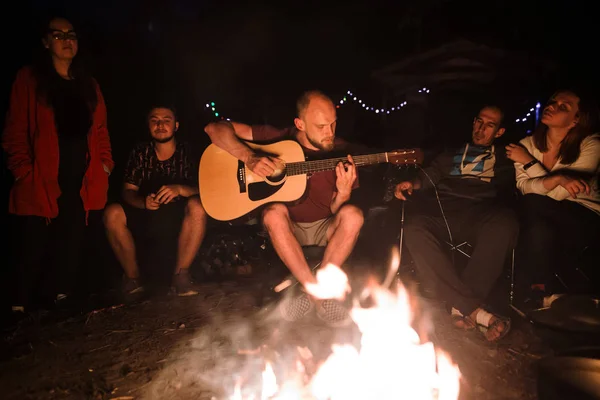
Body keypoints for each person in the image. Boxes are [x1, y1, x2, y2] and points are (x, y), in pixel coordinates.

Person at [204, 90, 364, 325]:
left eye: (333, 124)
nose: (329, 133)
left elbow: (334, 210)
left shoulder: (340, 152)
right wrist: (249, 158)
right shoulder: (275, 139)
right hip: (287, 228)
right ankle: (319, 296)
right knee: (273, 212)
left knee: (353, 215)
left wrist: (343, 194)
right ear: (299, 123)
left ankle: (312, 293)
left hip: (323, 227)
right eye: (321, 126)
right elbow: (214, 129)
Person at [2, 16, 113, 314]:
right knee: (33, 236)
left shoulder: (87, 83)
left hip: (82, 171)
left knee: (72, 232)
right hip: (42, 171)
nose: (67, 40)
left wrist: (105, 163)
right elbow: (15, 129)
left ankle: (62, 296)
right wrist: (22, 169)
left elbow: (100, 129)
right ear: (46, 42)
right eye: (59, 34)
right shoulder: (30, 79)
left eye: (72, 34)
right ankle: (19, 303)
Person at [395, 105, 518, 342]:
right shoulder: (451, 153)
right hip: (444, 215)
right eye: (478, 121)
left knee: (506, 223)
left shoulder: (507, 157)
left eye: (489, 125)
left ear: (500, 132)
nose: (481, 129)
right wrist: (413, 183)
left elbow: (523, 182)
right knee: (414, 227)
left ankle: (461, 307)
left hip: (482, 216)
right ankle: (472, 309)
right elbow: (428, 176)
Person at [506, 89, 600, 310]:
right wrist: (558, 178)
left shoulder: (591, 144)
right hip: (542, 217)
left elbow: (561, 194)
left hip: (584, 217)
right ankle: (540, 293)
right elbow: (523, 186)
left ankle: (530, 291)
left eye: (563, 107)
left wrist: (529, 163)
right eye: (552, 102)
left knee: (531, 206)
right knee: (538, 225)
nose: (552, 106)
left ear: (577, 119)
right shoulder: (526, 144)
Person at [103, 105, 206, 297]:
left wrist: (181, 189)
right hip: (147, 212)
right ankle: (132, 279)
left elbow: (209, 190)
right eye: (154, 120)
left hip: (180, 214)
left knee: (198, 206)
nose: (160, 125)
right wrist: (143, 202)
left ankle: (181, 277)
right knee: (112, 213)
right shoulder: (140, 152)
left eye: (166, 120)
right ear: (148, 125)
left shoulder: (189, 151)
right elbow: (127, 191)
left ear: (176, 126)